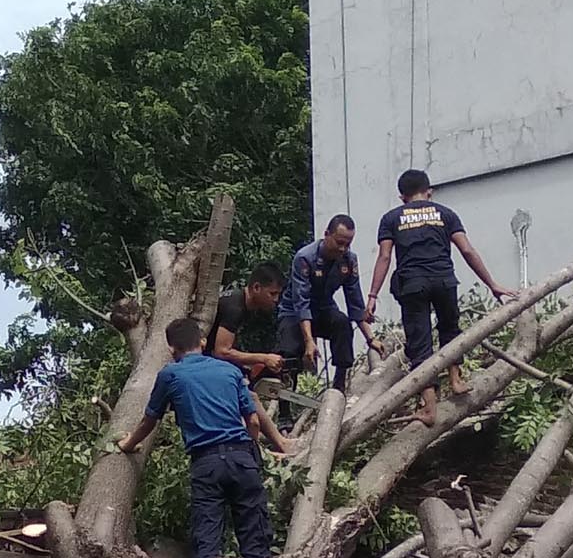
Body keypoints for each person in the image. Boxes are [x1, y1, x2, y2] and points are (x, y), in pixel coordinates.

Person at [117, 315, 292, 558]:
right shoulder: (229, 370)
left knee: (207, 534)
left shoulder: (170, 375)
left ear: (172, 349)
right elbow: (252, 420)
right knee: (254, 533)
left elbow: (150, 420)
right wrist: (251, 450)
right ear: (201, 341)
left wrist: (128, 444)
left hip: (206, 462)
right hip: (241, 457)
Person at [367, 168, 507, 423]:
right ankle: (456, 380)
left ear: (402, 197)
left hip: (413, 284)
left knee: (420, 342)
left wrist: (372, 296)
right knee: (450, 330)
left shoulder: (391, 218)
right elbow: (467, 250)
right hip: (444, 279)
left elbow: (385, 257)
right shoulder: (446, 213)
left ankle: (429, 407)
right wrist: (492, 284)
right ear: (429, 191)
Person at [279, 215, 365, 390]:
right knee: (289, 351)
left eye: (347, 244)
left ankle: (339, 387)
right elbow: (301, 302)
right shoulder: (305, 258)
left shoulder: (349, 260)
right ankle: (285, 406)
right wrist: (309, 341)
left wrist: (370, 338)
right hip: (294, 312)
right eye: (339, 242)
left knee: (342, 324)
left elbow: (355, 301)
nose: (343, 248)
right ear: (327, 234)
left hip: (324, 308)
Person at [211, 264, 287, 385]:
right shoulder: (235, 308)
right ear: (256, 288)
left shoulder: (240, 302)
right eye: (272, 294)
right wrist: (264, 358)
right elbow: (221, 352)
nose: (276, 299)